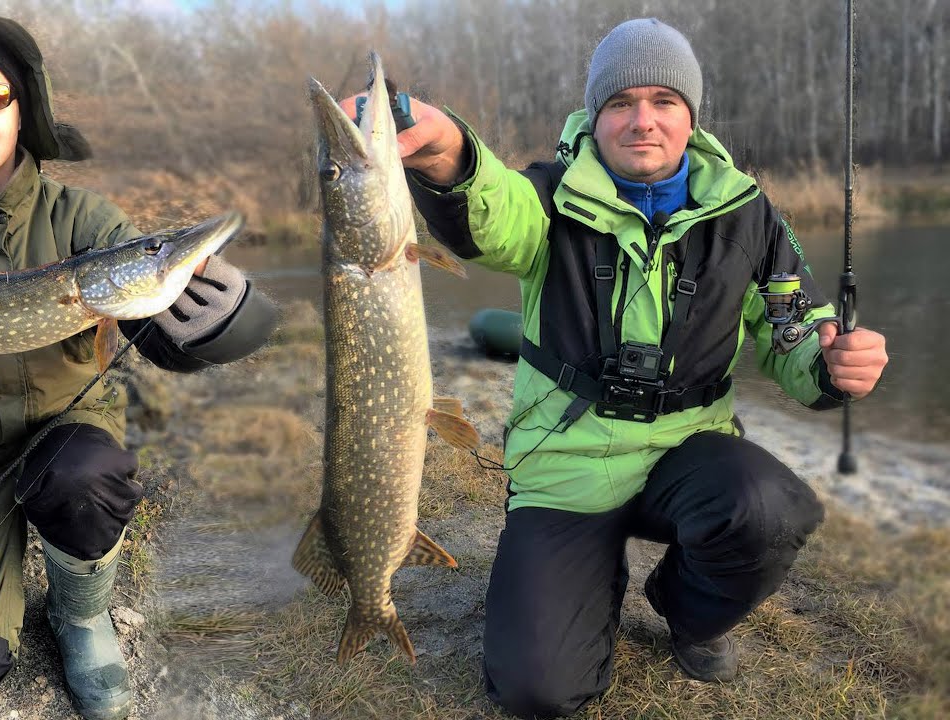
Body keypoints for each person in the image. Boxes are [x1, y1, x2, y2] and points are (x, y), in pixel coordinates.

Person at [380, 17, 888, 719]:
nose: (641, 120)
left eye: (663, 101)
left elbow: (792, 335)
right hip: (565, 468)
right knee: (537, 691)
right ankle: (584, 573)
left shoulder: (751, 217)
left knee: (770, 508)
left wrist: (835, 365)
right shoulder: (546, 197)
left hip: (688, 457)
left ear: (690, 116)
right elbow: (489, 213)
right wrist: (448, 152)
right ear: (595, 115)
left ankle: (688, 612)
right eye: (620, 103)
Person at [0, 14, 276, 720]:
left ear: (21, 108)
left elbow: (152, 325)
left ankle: (81, 616)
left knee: (86, 476)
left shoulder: (86, 220)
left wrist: (228, 320)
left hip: (63, 445)